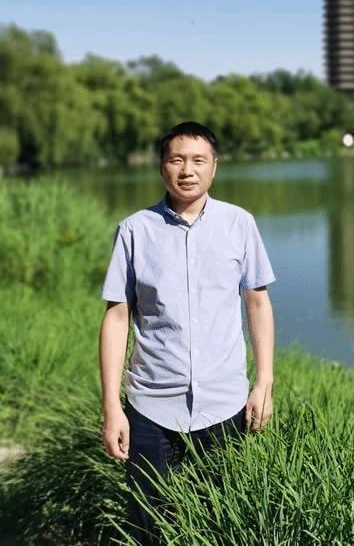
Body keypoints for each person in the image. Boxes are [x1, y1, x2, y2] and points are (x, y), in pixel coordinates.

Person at [99, 121, 275, 545]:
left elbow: (256, 303)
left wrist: (263, 383)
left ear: (214, 167)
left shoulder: (239, 224)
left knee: (222, 524)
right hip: (150, 406)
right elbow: (117, 317)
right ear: (162, 167)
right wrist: (111, 407)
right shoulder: (134, 230)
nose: (187, 170)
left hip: (225, 404)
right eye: (176, 160)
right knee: (149, 526)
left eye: (198, 160)